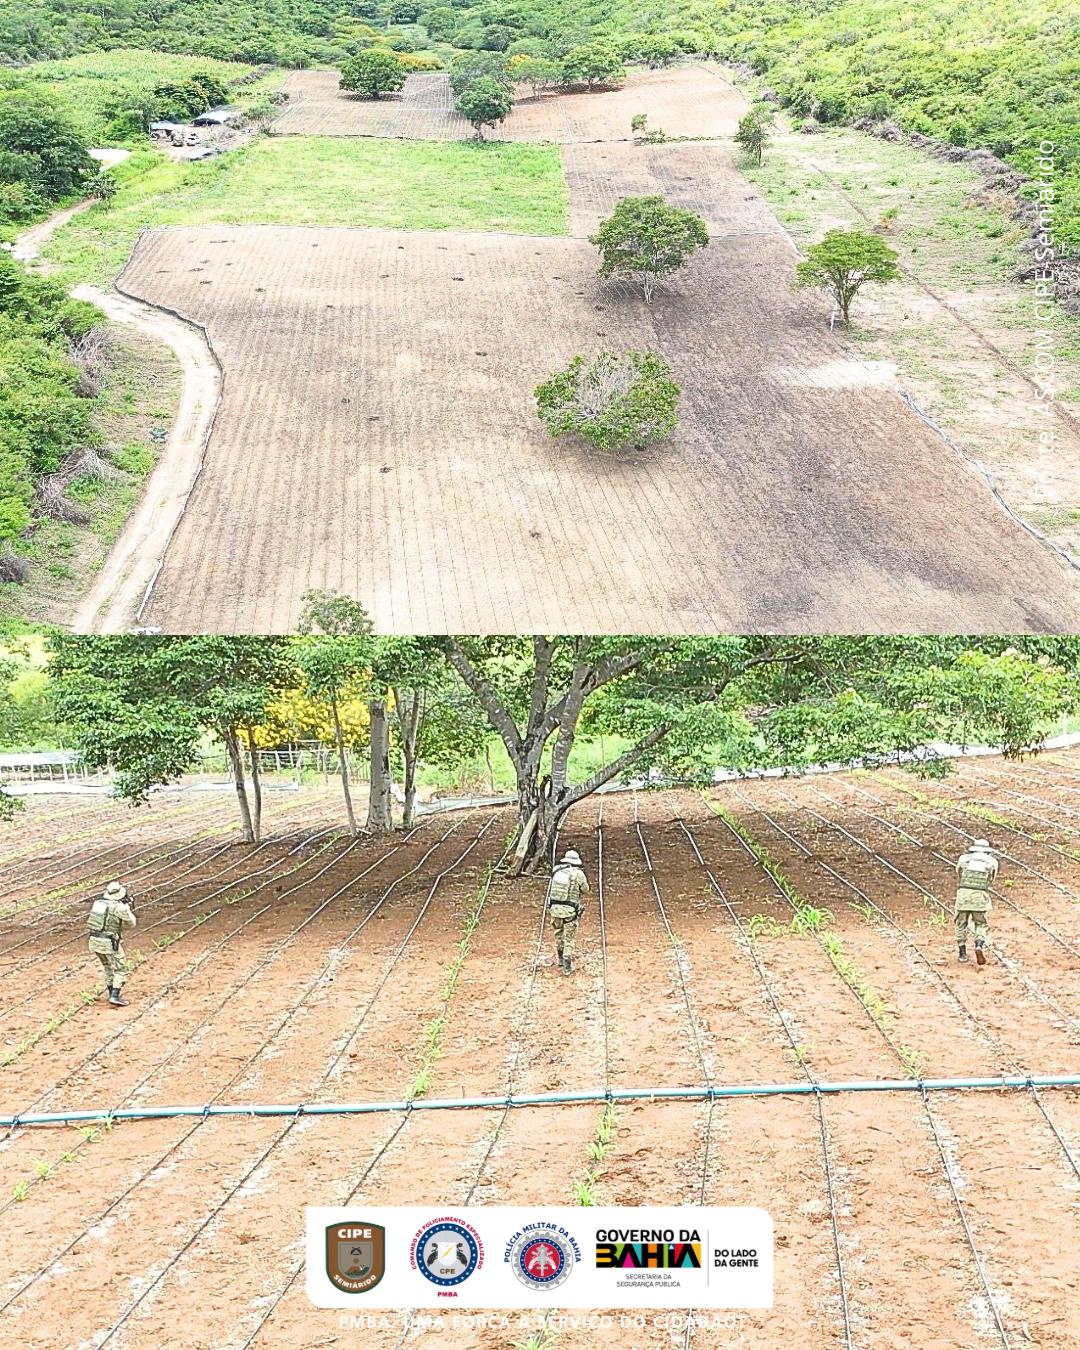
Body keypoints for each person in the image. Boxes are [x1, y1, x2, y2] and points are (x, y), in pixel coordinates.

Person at [87, 880, 136, 1006]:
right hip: (109, 942)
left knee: (107, 966)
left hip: (94, 940)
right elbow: (132, 924)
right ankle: (115, 996)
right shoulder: (120, 907)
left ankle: (111, 992)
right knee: (121, 968)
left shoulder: (98, 904)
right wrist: (127, 909)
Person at [954, 838, 997, 966]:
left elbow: (959, 873)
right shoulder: (992, 862)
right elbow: (992, 879)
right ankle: (979, 945)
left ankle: (962, 953)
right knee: (980, 923)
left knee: (961, 923)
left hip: (963, 895)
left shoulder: (963, 859)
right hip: (980, 896)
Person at [547, 848, 589, 975]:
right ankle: (567, 965)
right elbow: (586, 890)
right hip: (570, 911)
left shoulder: (556, 871)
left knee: (558, 933)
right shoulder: (578, 874)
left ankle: (560, 958)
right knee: (569, 938)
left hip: (554, 910)